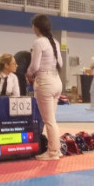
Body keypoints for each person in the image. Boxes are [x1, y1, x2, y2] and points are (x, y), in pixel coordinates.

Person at [26, 14, 63, 161]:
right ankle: (56, 149)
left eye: (33, 26)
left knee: (49, 120)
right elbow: (60, 63)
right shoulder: (55, 42)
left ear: (36, 27)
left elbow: (34, 66)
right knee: (52, 119)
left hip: (45, 82)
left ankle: (53, 152)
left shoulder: (39, 42)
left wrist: (28, 74)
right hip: (56, 81)